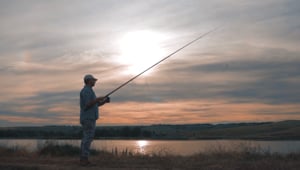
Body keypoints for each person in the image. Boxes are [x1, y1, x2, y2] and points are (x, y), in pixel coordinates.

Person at [79, 74, 110, 166]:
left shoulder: (89, 91)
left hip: (89, 118)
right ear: (89, 81)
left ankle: (83, 159)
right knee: (88, 138)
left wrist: (103, 101)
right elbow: (88, 104)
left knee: (86, 138)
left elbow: (94, 105)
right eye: (93, 80)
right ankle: (84, 160)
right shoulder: (86, 91)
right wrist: (98, 99)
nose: (95, 81)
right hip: (88, 118)